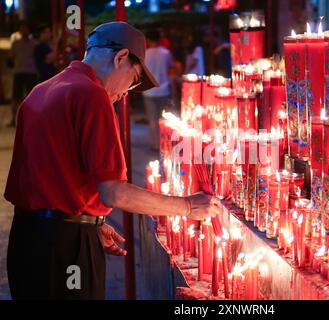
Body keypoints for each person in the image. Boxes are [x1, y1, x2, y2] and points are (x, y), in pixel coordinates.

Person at [4, 22, 221, 300]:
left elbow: (53, 178)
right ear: (120, 57)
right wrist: (187, 206)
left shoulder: (42, 90)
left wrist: (89, 222)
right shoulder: (92, 94)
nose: (126, 93)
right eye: (134, 78)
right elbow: (114, 191)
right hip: (66, 249)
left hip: (27, 241)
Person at [142, 29, 174, 151]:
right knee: (164, 118)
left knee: (152, 119)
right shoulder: (166, 53)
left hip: (149, 91)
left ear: (148, 40)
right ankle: (164, 143)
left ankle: (155, 145)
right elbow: (170, 69)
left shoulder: (145, 53)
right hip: (164, 89)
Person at [8, 21, 37, 127]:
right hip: (18, 72)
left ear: (29, 30)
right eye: (22, 28)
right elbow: (10, 58)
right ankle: (13, 119)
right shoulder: (15, 44)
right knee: (16, 97)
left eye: (26, 28)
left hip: (31, 72)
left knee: (32, 97)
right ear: (19, 30)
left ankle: (32, 118)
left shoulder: (34, 43)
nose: (24, 30)